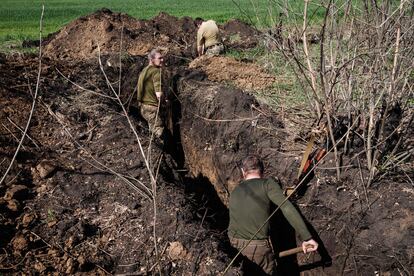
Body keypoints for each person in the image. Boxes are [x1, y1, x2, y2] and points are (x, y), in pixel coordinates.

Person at [228, 155, 318, 275]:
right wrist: (307, 238)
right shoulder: (267, 184)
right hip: (258, 249)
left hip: (233, 246)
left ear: (243, 171)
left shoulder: (235, 190)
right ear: (262, 170)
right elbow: (286, 207)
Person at [137, 48, 165, 143]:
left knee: (152, 130)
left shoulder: (144, 71)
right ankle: (162, 154)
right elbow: (159, 94)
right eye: (159, 58)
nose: (162, 60)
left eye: (162, 58)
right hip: (151, 107)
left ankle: (153, 148)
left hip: (143, 107)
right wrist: (164, 102)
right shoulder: (156, 71)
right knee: (160, 132)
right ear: (152, 60)